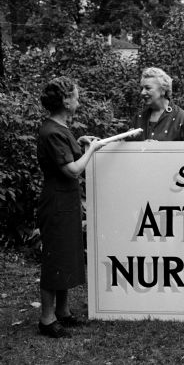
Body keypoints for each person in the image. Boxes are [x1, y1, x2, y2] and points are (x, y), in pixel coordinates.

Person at [37, 77, 106, 338]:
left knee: (66, 255)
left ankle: (63, 313)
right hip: (56, 201)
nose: (78, 100)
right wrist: (94, 149)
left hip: (66, 200)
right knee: (55, 257)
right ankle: (46, 319)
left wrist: (81, 141)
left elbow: (67, 153)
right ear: (66, 101)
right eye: (76, 96)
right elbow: (73, 169)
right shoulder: (52, 131)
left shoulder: (60, 128)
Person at [128, 67, 184, 141]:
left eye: (147, 88)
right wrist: (129, 140)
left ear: (163, 90)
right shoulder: (139, 118)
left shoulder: (180, 117)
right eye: (142, 88)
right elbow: (128, 151)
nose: (142, 92)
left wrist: (160, 149)